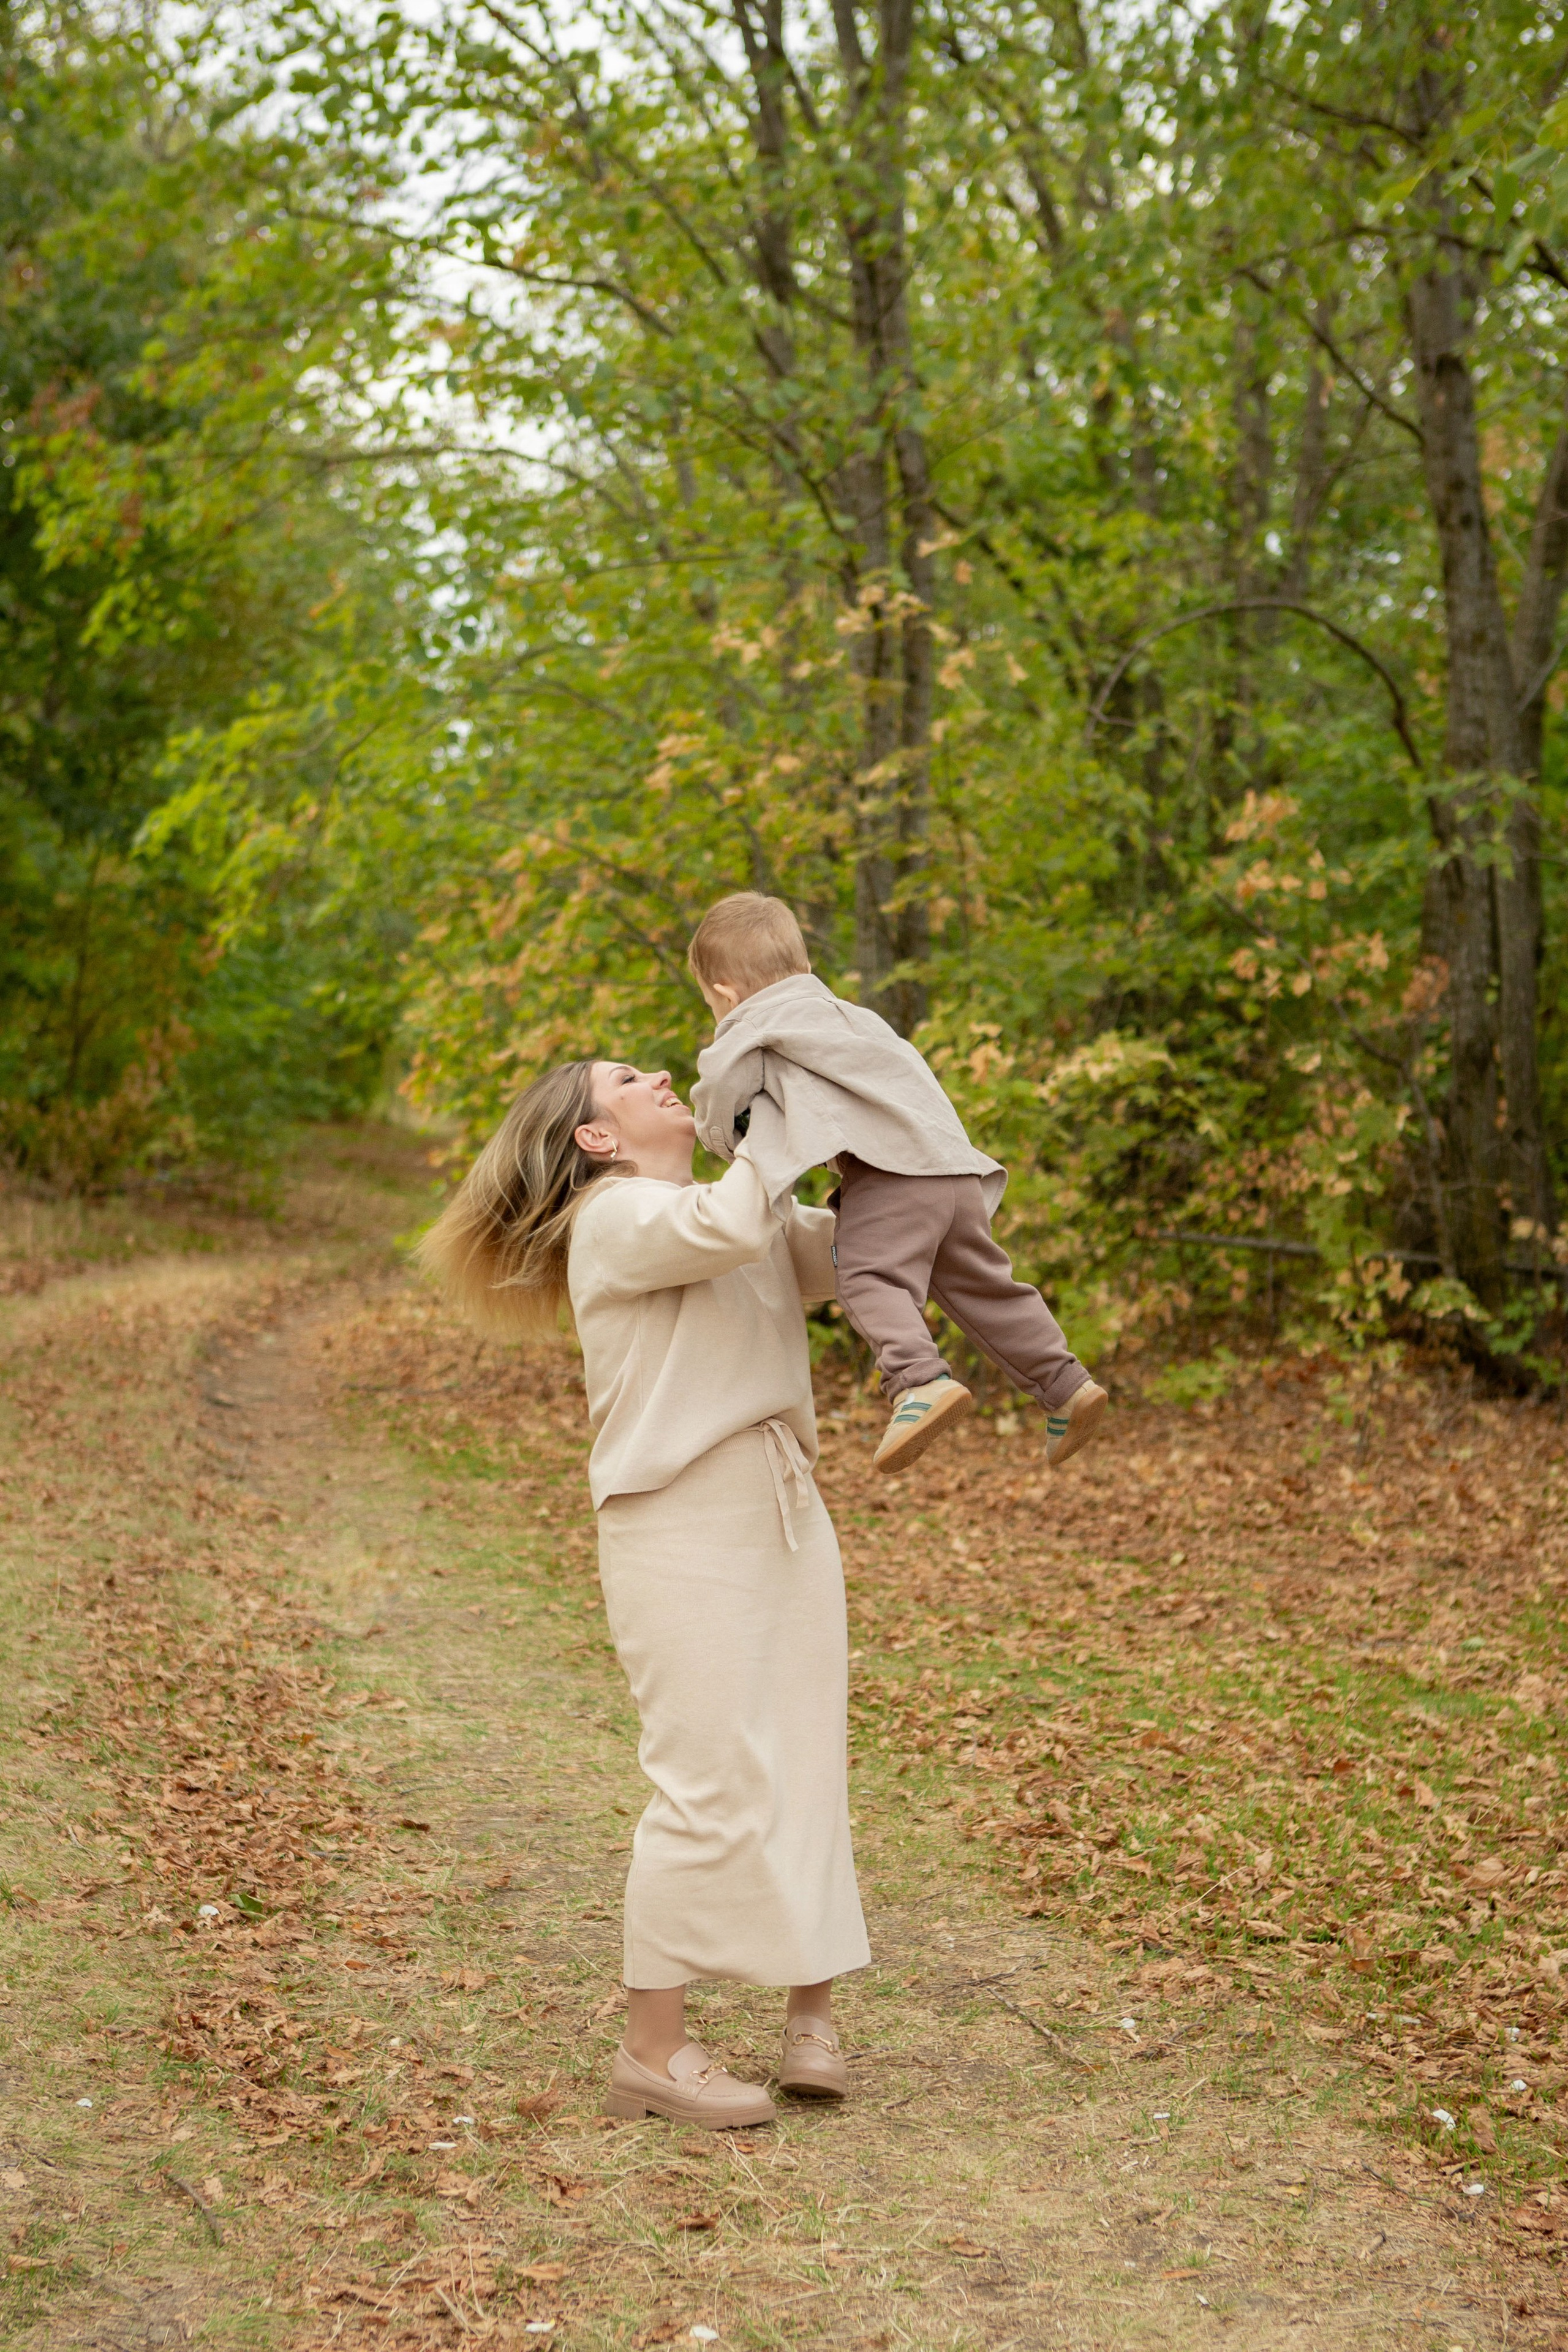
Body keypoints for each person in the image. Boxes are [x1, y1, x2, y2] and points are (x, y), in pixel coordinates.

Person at [418, 1058, 869, 2129]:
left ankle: (813, 2013)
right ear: (596, 1140)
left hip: (785, 1507)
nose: (663, 1072)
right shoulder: (615, 1218)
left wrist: (867, 1149)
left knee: (807, 1756)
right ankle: (652, 2053)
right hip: (678, 1521)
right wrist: (774, 1123)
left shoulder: (727, 1206)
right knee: (706, 1777)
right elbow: (729, 1227)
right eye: (627, 1078)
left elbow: (843, 1257)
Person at [689, 892, 1108, 1476]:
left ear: (725, 994)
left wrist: (718, 1138)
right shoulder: (858, 1020)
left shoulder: (754, 1027)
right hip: (956, 1173)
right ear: (806, 969)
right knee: (987, 1290)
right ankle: (1066, 1386)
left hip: (891, 1177)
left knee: (866, 1273)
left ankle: (918, 1383)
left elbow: (719, 1090)